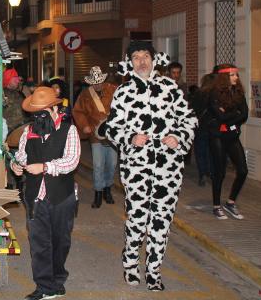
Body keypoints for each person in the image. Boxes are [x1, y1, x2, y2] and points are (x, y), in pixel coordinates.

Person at [102, 42, 197, 291]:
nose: (142, 61)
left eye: (146, 56)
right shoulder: (123, 93)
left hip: (169, 168)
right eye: (136, 57)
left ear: (154, 60)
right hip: (136, 168)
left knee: (162, 221)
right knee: (137, 218)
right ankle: (131, 263)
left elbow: (189, 119)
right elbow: (111, 128)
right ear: (130, 62)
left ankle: (154, 270)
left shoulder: (170, 88)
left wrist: (178, 137)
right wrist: (130, 138)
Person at [10, 87, 81, 300]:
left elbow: (71, 160)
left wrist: (45, 167)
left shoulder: (69, 131)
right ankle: (44, 286)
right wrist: (16, 164)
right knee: (39, 242)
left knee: (60, 242)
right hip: (35, 196)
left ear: (56, 109)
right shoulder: (27, 132)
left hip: (62, 196)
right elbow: (21, 156)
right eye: (36, 113)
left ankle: (57, 282)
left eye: (45, 111)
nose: (40, 116)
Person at [72, 66, 117, 208]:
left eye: (99, 82)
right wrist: (84, 125)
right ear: (91, 82)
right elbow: (78, 111)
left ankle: (107, 189)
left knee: (112, 164)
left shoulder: (113, 90)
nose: (97, 84)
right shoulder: (85, 94)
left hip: (113, 134)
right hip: (95, 135)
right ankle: (98, 192)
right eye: (94, 82)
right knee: (98, 165)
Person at [208, 64, 248, 220]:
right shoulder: (214, 94)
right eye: (232, 75)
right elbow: (220, 117)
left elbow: (244, 115)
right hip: (217, 136)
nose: (236, 78)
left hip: (232, 136)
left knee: (243, 170)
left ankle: (230, 202)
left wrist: (230, 115)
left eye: (236, 75)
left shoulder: (239, 92)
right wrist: (234, 113)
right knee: (220, 172)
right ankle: (216, 205)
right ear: (225, 77)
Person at [189, 74, 216, 186]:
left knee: (200, 151)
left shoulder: (198, 94)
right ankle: (211, 173)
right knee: (211, 151)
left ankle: (202, 174)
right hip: (212, 127)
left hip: (200, 127)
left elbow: (192, 110)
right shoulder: (215, 94)